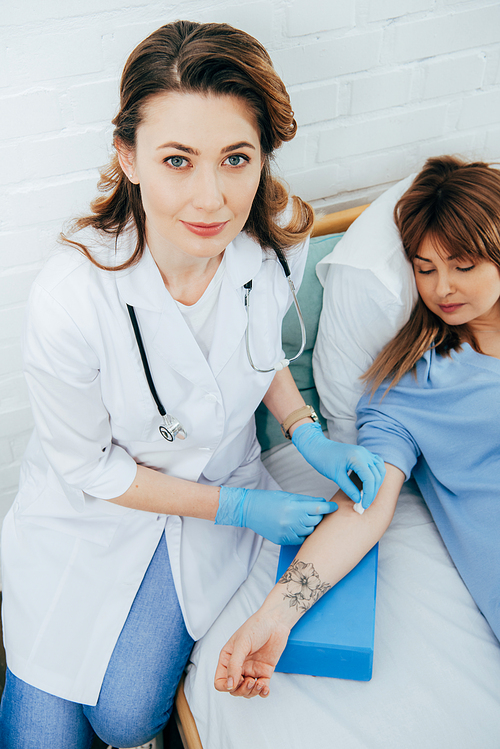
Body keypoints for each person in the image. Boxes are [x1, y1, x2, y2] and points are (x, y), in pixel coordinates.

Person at [0, 20, 385, 749]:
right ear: (128, 155)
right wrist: (239, 506)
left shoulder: (273, 234)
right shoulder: (72, 297)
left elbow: (257, 351)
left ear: (263, 156)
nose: (212, 198)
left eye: (236, 158)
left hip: (207, 491)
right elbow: (93, 467)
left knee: (123, 715)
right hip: (92, 511)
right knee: (42, 734)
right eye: (178, 160)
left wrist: (305, 430)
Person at [214, 155, 500, 699]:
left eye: (463, 265)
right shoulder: (411, 389)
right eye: (424, 267)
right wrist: (275, 615)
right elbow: (363, 508)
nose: (442, 288)